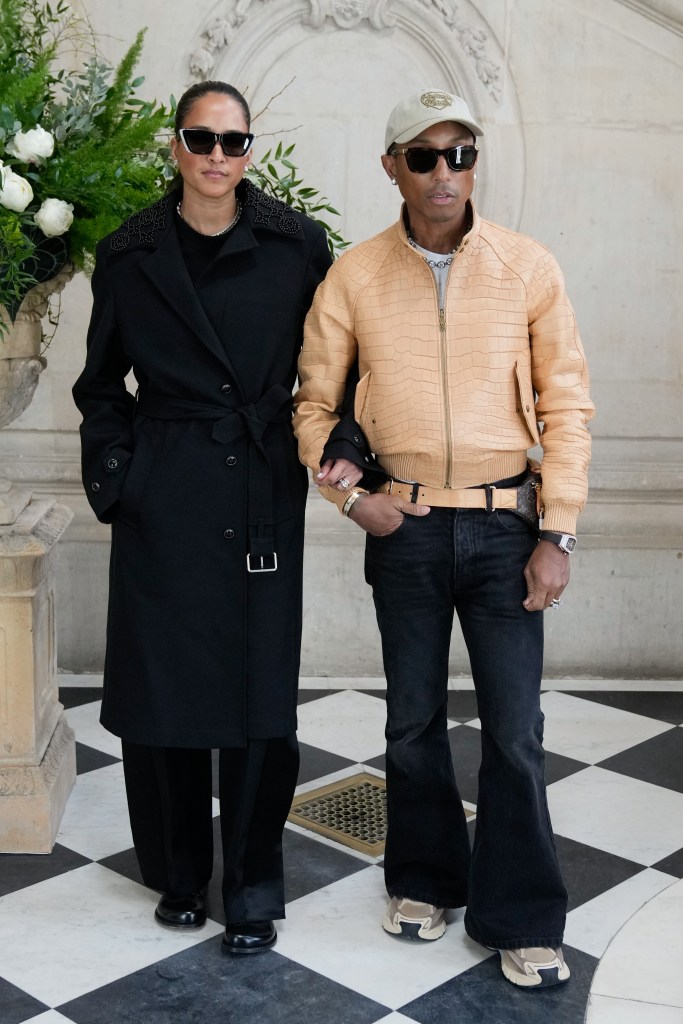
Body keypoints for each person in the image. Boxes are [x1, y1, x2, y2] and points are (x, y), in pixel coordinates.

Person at [293, 89, 594, 988]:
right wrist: (356, 506)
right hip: (408, 528)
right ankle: (423, 879)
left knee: (513, 733)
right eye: (422, 156)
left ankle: (522, 914)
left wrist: (560, 533)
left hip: (508, 529)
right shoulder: (352, 274)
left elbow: (568, 406)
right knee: (413, 723)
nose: (443, 173)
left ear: (474, 164)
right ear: (391, 166)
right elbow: (313, 405)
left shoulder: (527, 267)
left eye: (459, 154)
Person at [73, 81, 331, 954]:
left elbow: (338, 369)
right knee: (165, 696)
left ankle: (253, 883)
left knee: (261, 699)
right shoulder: (127, 253)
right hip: (166, 492)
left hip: (260, 492)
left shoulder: (297, 246)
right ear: (175, 147)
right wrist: (120, 477)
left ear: (249, 150)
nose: (216, 157)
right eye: (200, 139)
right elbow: (100, 386)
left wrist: (346, 445)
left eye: (232, 142)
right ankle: (181, 874)